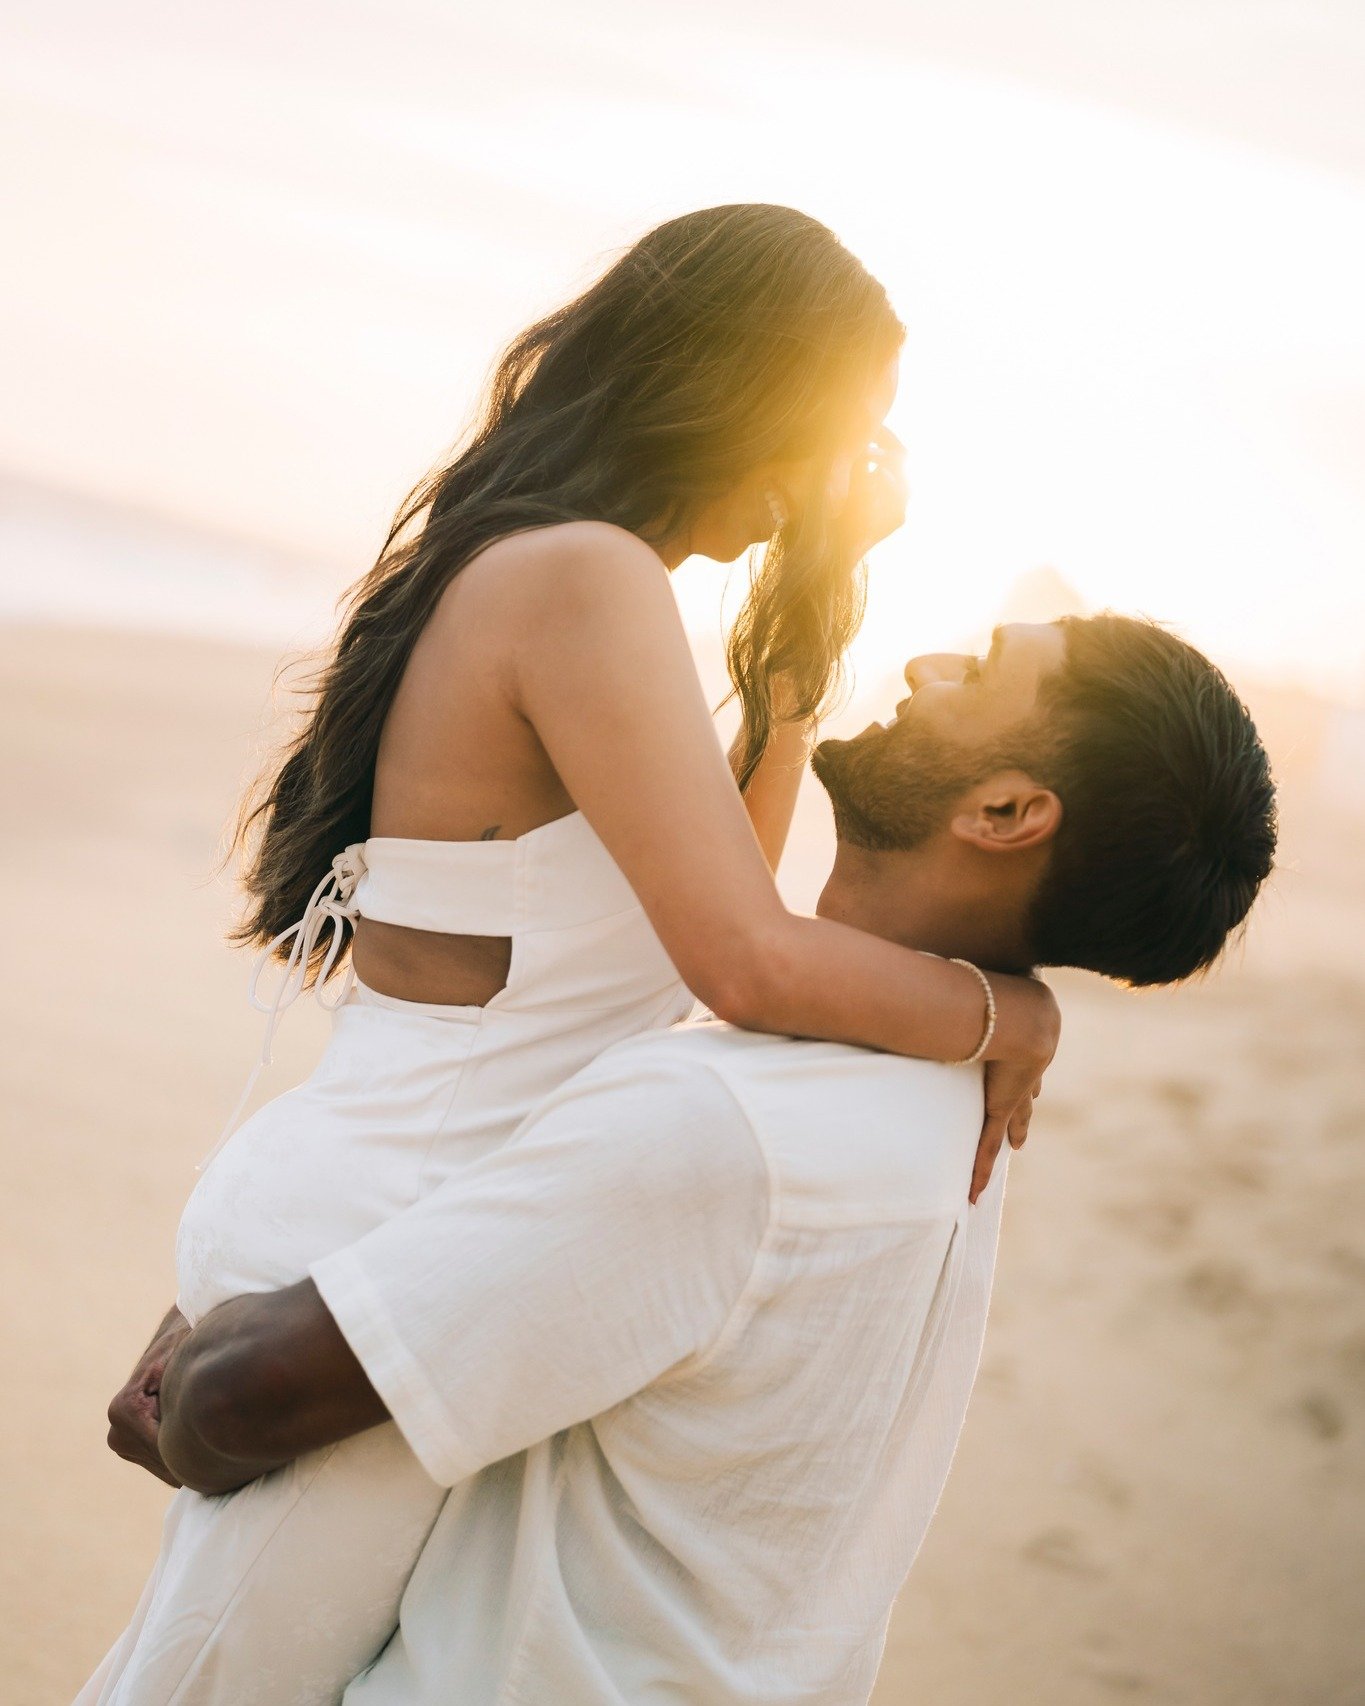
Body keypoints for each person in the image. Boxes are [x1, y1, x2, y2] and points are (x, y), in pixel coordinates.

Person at [78, 205, 1058, 1706]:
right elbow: (749, 967)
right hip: (382, 1242)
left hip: (422, 1229)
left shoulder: (574, 574)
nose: (841, 474)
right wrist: (1007, 1012)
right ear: (748, 390)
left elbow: (727, 919)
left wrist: (807, 620)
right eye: (842, 431)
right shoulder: (581, 578)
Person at [110, 614, 1276, 1706]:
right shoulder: (957, 1099)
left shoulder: (725, 1123)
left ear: (1012, 809)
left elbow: (239, 1397)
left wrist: (198, 1357)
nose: (925, 666)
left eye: (976, 669)